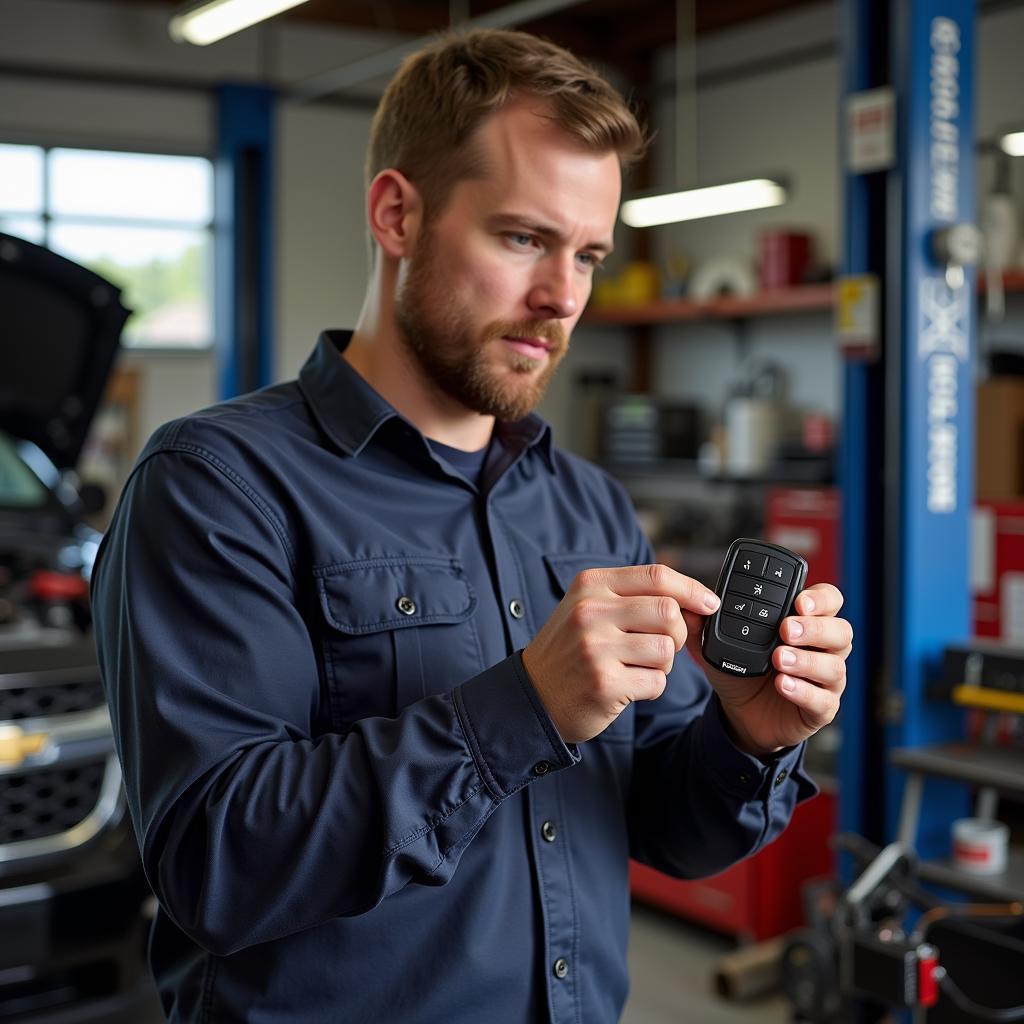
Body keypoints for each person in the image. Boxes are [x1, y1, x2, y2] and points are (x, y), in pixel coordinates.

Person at [92, 28, 852, 1024]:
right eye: (523, 238)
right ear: (397, 213)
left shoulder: (589, 506)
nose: (563, 297)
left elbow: (663, 827)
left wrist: (746, 740)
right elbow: (217, 864)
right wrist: (521, 708)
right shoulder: (215, 487)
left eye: (587, 254)